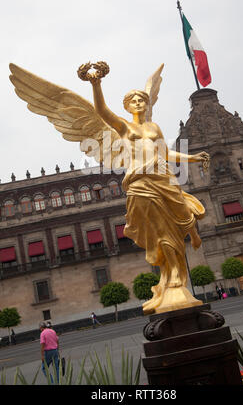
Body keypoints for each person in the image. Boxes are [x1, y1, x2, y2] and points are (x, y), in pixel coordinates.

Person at [88, 68, 209, 315]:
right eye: (133, 100)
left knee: (180, 219)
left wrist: (193, 158)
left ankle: (189, 235)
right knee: (161, 231)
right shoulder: (123, 127)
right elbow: (101, 111)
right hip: (141, 184)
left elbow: (165, 154)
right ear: (127, 106)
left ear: (147, 103)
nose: (138, 102)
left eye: (142, 99)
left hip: (163, 178)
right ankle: (174, 275)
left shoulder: (154, 128)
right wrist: (96, 84)